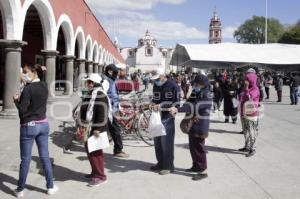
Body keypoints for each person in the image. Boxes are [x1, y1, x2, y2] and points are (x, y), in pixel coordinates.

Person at [13, 64, 58, 197]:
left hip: (29, 126)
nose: (24, 74)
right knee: (45, 157)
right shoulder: (44, 86)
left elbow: (23, 111)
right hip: (43, 125)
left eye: (26, 72)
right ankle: (50, 187)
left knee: (25, 159)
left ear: (34, 73)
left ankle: (20, 190)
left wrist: (15, 101)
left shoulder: (28, 89)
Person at [170, 74, 212, 181]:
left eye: (197, 84)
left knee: (199, 148)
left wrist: (178, 110)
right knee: (193, 147)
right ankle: (196, 166)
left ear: (202, 84)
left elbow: (194, 106)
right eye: (195, 84)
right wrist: (178, 107)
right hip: (192, 124)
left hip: (200, 125)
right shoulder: (196, 92)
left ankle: (203, 170)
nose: (195, 86)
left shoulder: (207, 95)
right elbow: (188, 103)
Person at [80, 73, 110, 187]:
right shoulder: (92, 93)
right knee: (90, 151)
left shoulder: (100, 95)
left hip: (96, 129)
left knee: (96, 153)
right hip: (90, 127)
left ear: (93, 83)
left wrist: (97, 129)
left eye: (88, 82)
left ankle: (101, 176)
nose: (87, 84)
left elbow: (102, 114)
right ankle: (95, 172)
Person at [150, 68, 179, 175]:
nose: (156, 81)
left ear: (163, 76)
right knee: (157, 141)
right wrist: (152, 103)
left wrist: (161, 105)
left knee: (166, 142)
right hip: (157, 116)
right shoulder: (156, 85)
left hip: (167, 117)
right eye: (154, 79)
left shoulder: (173, 86)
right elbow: (155, 98)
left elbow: (176, 103)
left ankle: (168, 166)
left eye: (157, 78)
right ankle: (160, 163)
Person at [103, 64, 129, 158]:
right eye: (115, 72)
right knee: (115, 129)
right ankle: (118, 150)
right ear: (110, 72)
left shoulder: (112, 80)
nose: (117, 74)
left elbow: (114, 95)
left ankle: (117, 149)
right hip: (109, 109)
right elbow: (104, 95)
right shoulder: (106, 81)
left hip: (113, 108)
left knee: (112, 129)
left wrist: (118, 106)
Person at [238, 72, 260, 157]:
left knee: (251, 132)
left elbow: (249, 98)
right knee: (245, 131)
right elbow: (241, 98)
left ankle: (253, 148)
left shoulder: (255, 89)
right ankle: (247, 146)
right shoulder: (245, 88)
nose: (244, 81)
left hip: (251, 114)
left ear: (251, 80)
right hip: (244, 113)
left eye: (246, 79)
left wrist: (246, 88)